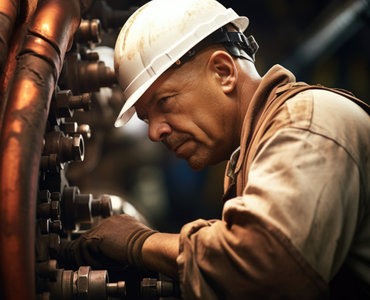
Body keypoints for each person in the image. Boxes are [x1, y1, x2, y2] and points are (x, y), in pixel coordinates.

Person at [59, 0, 370, 298]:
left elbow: (266, 273)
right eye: (145, 117)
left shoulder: (304, 121)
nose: (154, 132)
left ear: (223, 72)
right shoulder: (257, 150)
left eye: (164, 102)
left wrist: (139, 243)